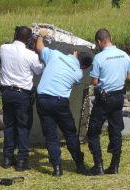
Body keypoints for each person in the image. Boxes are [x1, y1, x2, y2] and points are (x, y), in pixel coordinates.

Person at [35, 30, 93, 176]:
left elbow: (39, 48)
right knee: (70, 134)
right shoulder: (78, 73)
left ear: (75, 53)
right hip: (60, 102)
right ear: (84, 67)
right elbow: (74, 69)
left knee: (50, 135)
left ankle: (57, 168)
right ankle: (79, 165)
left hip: (43, 99)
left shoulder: (55, 55)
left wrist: (41, 35)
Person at [87, 28, 130, 175]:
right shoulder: (124, 55)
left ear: (99, 42)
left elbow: (94, 81)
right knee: (116, 130)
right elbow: (129, 77)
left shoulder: (99, 58)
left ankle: (98, 166)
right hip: (119, 97)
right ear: (110, 38)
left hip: (104, 98)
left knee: (93, 131)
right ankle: (114, 166)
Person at [0, 26, 43, 171]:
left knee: (9, 125)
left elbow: (11, 47)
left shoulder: (3, 48)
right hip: (22, 93)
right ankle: (22, 160)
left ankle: (7, 157)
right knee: (23, 126)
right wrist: (36, 51)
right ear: (29, 39)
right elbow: (38, 70)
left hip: (6, 92)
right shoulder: (30, 55)